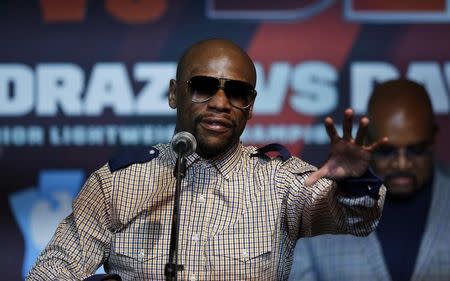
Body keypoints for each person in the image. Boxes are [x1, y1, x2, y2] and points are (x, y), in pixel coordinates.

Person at [27, 38, 387, 281]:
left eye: (237, 92)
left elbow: (354, 218)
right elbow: (53, 269)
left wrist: (355, 181)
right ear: (174, 94)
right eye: (203, 86)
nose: (219, 102)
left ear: (250, 107)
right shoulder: (116, 182)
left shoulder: (279, 180)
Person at [289, 79, 450, 281]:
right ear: (366, 141)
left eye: (416, 150)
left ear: (433, 138)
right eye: (386, 151)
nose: (401, 164)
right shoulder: (316, 211)